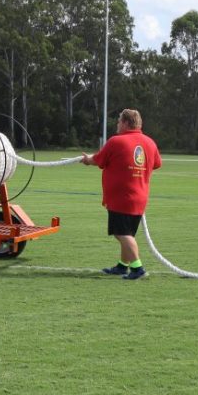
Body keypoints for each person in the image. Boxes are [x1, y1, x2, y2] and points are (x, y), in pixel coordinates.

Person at [81, 109, 162, 280]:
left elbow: (98, 160)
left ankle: (137, 268)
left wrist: (87, 160)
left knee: (121, 233)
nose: (117, 125)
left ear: (125, 123)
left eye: (119, 121)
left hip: (121, 198)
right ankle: (122, 266)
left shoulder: (116, 141)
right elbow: (156, 164)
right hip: (139, 197)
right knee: (128, 233)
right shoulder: (150, 142)